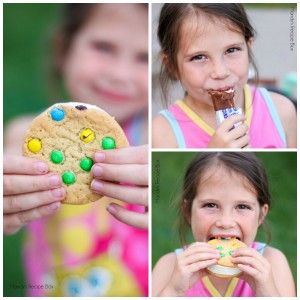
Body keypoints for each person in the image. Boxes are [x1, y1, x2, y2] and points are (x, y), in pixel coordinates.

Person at [4, 3, 148, 296]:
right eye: (103, 47)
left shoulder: (157, 144)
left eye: (144, 58)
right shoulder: (25, 136)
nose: (120, 73)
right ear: (64, 49)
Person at [152, 4, 297, 148]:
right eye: (198, 57)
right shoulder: (163, 133)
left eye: (232, 50)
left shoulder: (282, 111)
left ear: (248, 47)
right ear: (172, 66)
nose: (220, 72)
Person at [152, 152, 295, 296]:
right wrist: (173, 291)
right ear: (188, 212)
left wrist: (268, 293)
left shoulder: (273, 264)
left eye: (242, 207)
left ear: (261, 215)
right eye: (211, 205)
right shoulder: (169, 267)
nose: (226, 223)